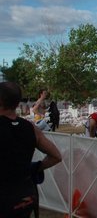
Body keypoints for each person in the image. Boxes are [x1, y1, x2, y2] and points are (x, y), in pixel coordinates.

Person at [0, 82, 62, 218]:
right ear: (17, 103)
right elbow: (56, 156)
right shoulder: (31, 128)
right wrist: (34, 168)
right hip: (26, 196)